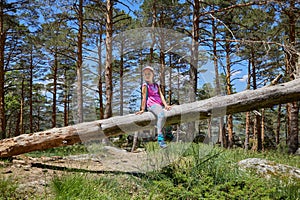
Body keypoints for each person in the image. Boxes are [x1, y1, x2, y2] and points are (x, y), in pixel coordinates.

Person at [136, 66, 172, 148]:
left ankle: (168, 135)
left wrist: (166, 105)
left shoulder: (156, 85)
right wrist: (142, 109)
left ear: (153, 74)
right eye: (145, 74)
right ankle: (160, 138)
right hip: (151, 105)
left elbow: (161, 95)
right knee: (161, 115)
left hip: (159, 105)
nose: (147, 75)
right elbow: (144, 98)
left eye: (149, 73)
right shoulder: (145, 85)